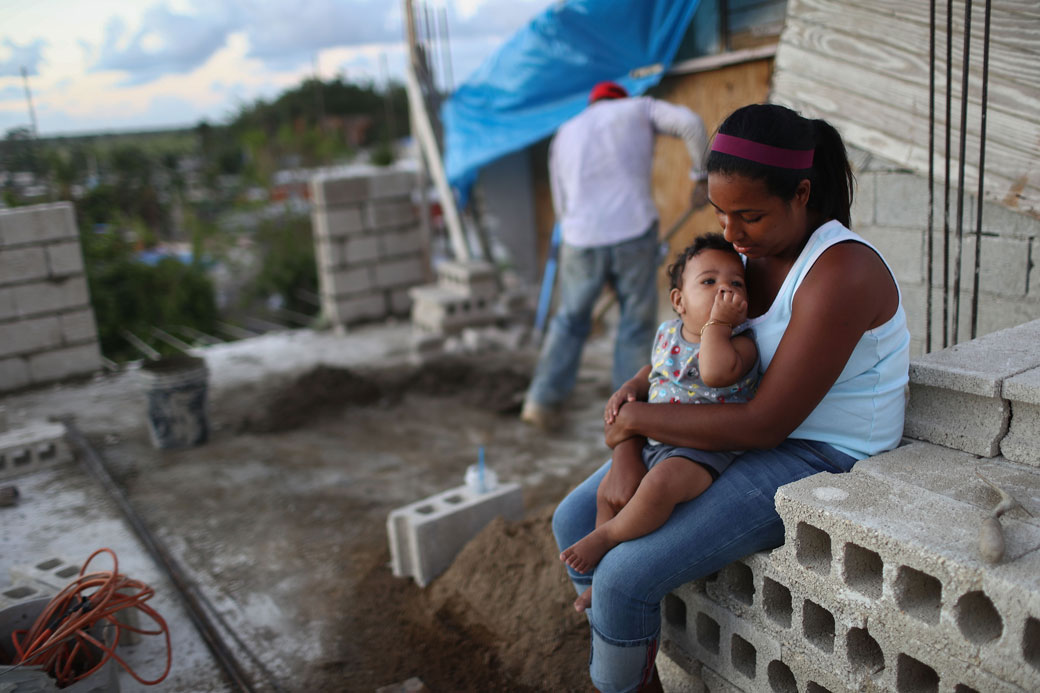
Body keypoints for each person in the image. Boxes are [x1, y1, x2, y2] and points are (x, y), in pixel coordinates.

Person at [552, 103, 910, 693]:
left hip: (814, 450)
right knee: (571, 517)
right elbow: (684, 350)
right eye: (719, 212)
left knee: (622, 578)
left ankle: (620, 672)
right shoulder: (743, 257)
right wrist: (628, 442)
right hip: (730, 422)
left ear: (801, 193)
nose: (730, 233)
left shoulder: (840, 271)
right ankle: (626, 649)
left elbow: (766, 424)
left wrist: (637, 421)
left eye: (748, 215)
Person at [559, 234, 760, 613]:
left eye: (736, 284)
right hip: (656, 442)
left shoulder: (741, 344)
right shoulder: (667, 333)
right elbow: (655, 369)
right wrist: (633, 385)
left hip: (702, 451)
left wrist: (718, 325)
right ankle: (600, 579)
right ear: (678, 301)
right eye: (709, 282)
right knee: (607, 493)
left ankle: (607, 537)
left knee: (658, 487)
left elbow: (715, 373)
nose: (724, 291)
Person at [520, 81, 710, 429]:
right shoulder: (640, 108)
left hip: (579, 238)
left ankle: (541, 403)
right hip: (633, 231)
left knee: (569, 320)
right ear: (621, 98)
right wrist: (701, 176)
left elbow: (560, 200)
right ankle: (629, 412)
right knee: (635, 327)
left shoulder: (566, 131)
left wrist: (583, 246)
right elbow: (690, 123)